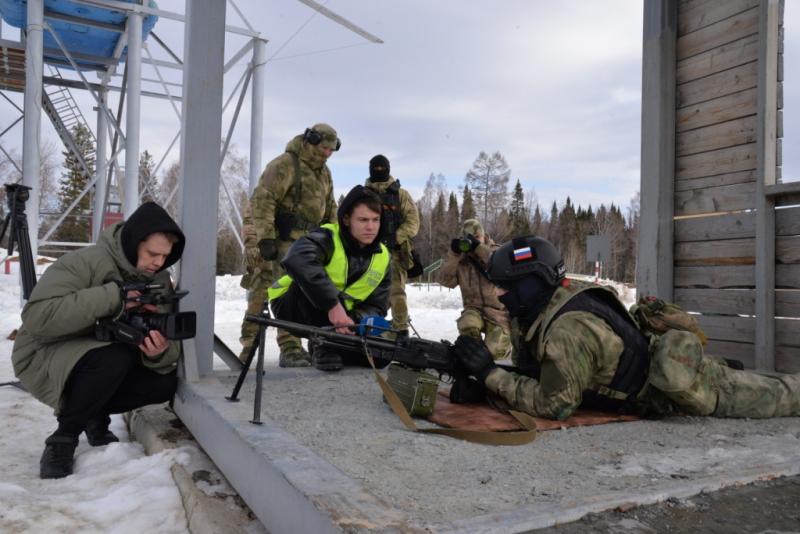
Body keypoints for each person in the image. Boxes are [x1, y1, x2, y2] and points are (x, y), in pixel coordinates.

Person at [452, 235, 800, 420]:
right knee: (738, 375)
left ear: (531, 285)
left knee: (779, 395)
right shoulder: (549, 302)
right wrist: (487, 386)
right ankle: (725, 367)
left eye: (506, 287)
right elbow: (542, 371)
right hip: (648, 362)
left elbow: (555, 404)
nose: (498, 294)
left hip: (669, 392)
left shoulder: (567, 330)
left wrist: (490, 376)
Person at [12, 202, 186, 479]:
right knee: (112, 358)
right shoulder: (83, 262)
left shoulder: (158, 279)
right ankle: (63, 438)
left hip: (105, 355)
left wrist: (158, 351)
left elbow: (164, 331)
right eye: (152, 253)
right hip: (44, 353)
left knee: (163, 383)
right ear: (132, 243)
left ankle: (94, 413)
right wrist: (114, 297)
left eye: (165, 256)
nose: (158, 263)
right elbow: (38, 318)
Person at [239, 123, 339, 367]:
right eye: (324, 148)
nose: (327, 154)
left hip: (308, 243)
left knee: (301, 294)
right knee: (264, 293)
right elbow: (263, 200)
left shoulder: (323, 173)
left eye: (331, 150)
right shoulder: (285, 165)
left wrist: (336, 238)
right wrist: (264, 239)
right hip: (280, 240)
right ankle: (254, 347)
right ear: (311, 141)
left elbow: (331, 207)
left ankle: (295, 346)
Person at [268, 185, 391, 371]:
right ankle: (324, 342)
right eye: (363, 219)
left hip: (343, 320)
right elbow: (296, 259)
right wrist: (333, 305)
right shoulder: (326, 236)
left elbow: (378, 305)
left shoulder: (383, 256)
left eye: (376, 220)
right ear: (347, 219)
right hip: (294, 306)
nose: (370, 227)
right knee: (310, 282)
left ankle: (331, 345)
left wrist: (355, 323)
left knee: (382, 355)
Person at [439, 218, 512, 361]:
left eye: (476, 237)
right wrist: (453, 254)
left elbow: (500, 265)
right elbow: (445, 281)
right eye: (467, 238)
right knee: (470, 341)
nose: (471, 241)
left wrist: (478, 247)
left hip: (498, 313)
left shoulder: (496, 251)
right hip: (473, 309)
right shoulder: (461, 260)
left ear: (484, 236)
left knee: (494, 352)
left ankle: (504, 348)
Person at [363, 155, 419, 340]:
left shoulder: (400, 195)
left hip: (395, 252)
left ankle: (400, 329)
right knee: (365, 292)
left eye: (382, 168)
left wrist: (395, 238)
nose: (378, 172)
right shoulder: (362, 194)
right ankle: (367, 327)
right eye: (375, 168)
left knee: (396, 292)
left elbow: (413, 222)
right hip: (366, 253)